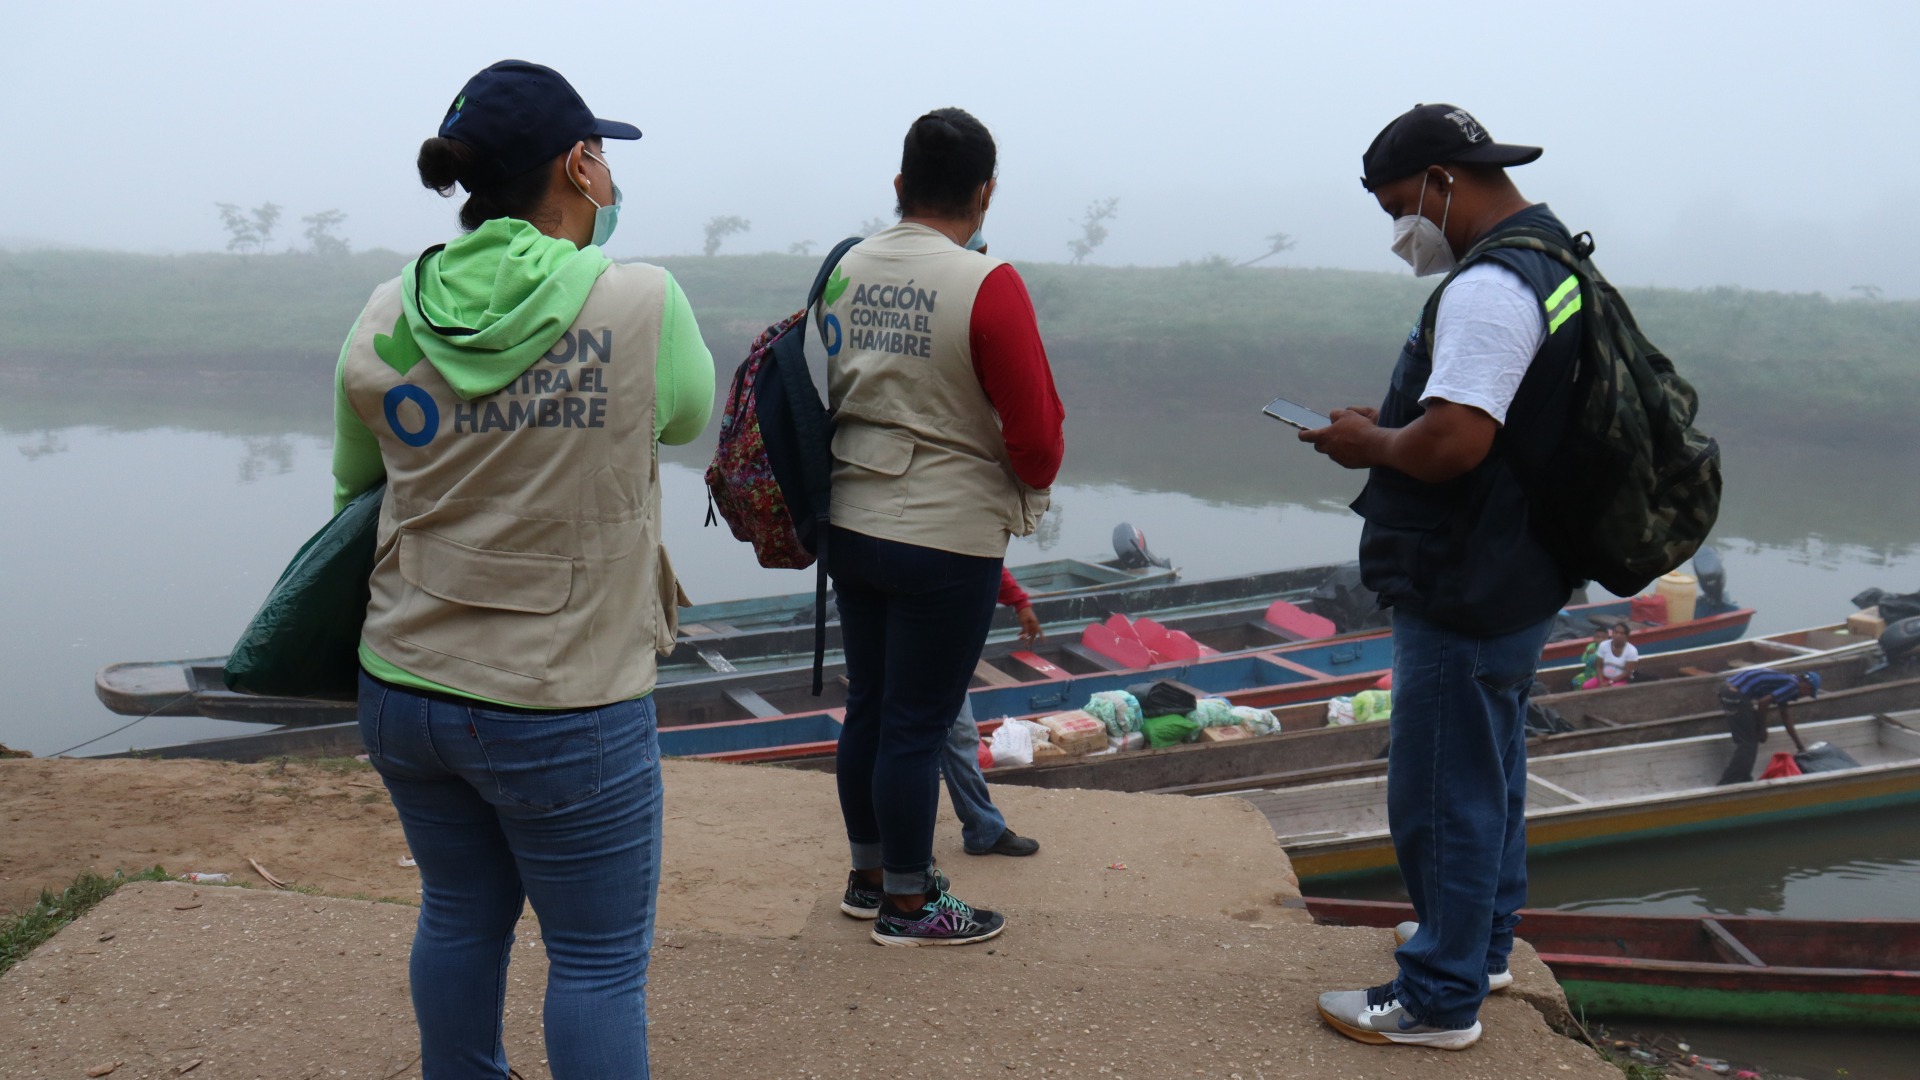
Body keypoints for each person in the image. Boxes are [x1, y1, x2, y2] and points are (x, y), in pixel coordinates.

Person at [331, 60, 713, 1078]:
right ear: (579, 167)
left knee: (459, 918)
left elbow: (352, 491)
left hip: (406, 685)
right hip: (564, 698)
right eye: (605, 161)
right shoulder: (641, 302)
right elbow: (683, 415)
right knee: (593, 960)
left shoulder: (383, 312)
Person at [1302, 104, 1587, 1050]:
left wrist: (1365, 443)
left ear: (1442, 183)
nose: (1400, 230)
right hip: (1520, 568)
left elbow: (1457, 438)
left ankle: (1436, 997)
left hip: (1463, 579)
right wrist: (1386, 432)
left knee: (1439, 789)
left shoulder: (1489, 288)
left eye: (1399, 206)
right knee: (1492, 773)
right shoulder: (1557, 262)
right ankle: (1482, 945)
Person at [822, 107, 1065, 947]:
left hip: (850, 522)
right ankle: (911, 904)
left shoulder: (844, 268)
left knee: (874, 710)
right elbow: (1035, 441)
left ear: (898, 186)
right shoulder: (985, 283)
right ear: (985, 192)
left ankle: (868, 878)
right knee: (919, 726)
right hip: (945, 536)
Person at [944, 569, 1045, 857]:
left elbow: (985, 556)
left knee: (960, 737)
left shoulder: (971, 532)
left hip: (946, 645)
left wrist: (1020, 602)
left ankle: (983, 830)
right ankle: (903, 847)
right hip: (914, 636)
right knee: (911, 745)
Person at [1717, 668, 1820, 785]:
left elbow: (1785, 717)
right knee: (1748, 743)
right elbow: (1763, 702)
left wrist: (1800, 747)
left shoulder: (1787, 682)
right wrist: (1762, 729)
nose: (1801, 697)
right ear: (1807, 687)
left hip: (1727, 688)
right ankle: (1727, 782)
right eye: (1808, 694)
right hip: (1735, 692)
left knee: (1748, 741)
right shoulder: (1793, 686)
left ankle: (1743, 777)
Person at [1592, 623, 1638, 688]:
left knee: (1610, 690)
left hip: (1621, 680)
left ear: (1626, 636)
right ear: (1612, 633)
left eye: (1621, 633)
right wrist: (1601, 682)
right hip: (1603, 678)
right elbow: (1599, 666)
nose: (1618, 635)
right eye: (1616, 632)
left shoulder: (1632, 651)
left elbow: (1627, 672)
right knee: (1586, 686)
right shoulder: (1603, 645)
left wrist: (1610, 682)